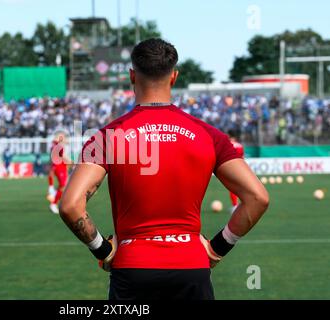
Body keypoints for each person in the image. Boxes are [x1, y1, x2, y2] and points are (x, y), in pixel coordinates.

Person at [59, 38, 269, 300]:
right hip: (192, 267)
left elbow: (70, 204)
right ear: (174, 77)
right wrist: (216, 249)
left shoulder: (108, 136)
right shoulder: (208, 135)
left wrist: (103, 250)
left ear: (132, 76)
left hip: (133, 268)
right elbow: (257, 197)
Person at [47, 131, 71, 214]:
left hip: (60, 166)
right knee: (63, 186)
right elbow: (63, 156)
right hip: (59, 167)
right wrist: (71, 162)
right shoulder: (58, 145)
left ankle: (55, 197)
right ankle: (53, 204)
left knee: (63, 185)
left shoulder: (54, 144)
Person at [228, 129, 245, 214]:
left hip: (230, 168)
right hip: (239, 168)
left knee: (232, 187)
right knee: (241, 187)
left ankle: (235, 206)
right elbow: (242, 158)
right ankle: (243, 205)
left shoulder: (227, 144)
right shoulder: (239, 146)